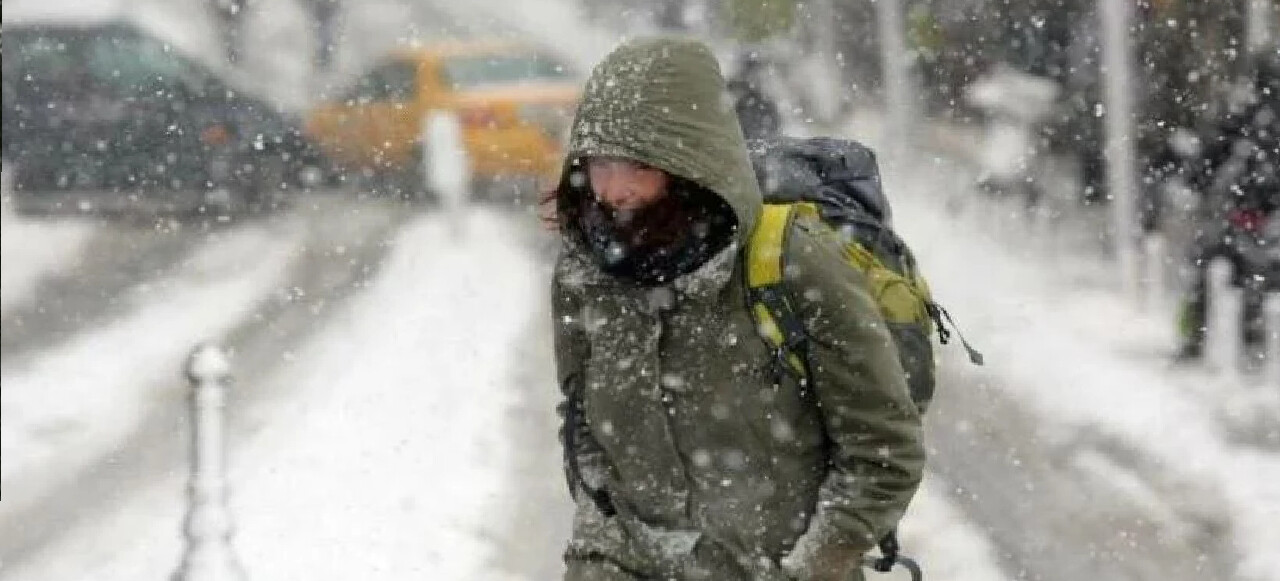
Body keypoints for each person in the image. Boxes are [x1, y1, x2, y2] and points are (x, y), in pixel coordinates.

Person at [547, 36, 925, 581]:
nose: (613, 189)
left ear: (686, 161)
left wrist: (813, 565)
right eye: (599, 164)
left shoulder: (790, 260)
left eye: (636, 164)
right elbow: (584, 426)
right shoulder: (586, 272)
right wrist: (598, 552)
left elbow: (883, 451)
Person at [1175, 47, 1280, 360]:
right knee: (1228, 272)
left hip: (1240, 214)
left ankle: (1196, 338)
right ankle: (1240, 337)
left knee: (1209, 269)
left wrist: (1197, 181)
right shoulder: (1248, 120)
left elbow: (1206, 161)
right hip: (1251, 215)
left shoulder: (1243, 117)